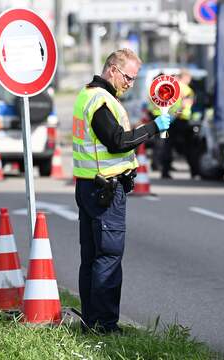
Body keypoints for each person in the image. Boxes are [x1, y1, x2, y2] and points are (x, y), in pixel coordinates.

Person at [73, 49, 174, 334]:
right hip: (104, 191)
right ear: (112, 70)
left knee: (92, 258)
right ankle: (104, 325)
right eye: (128, 77)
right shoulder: (101, 102)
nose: (130, 83)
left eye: (134, 78)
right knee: (107, 257)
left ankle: (90, 321)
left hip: (89, 186)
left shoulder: (88, 95)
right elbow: (117, 142)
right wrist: (153, 127)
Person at [159, 70, 198, 179]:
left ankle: (165, 172)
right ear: (186, 78)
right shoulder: (187, 90)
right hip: (181, 120)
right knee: (189, 148)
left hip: (170, 121)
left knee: (168, 146)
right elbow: (185, 106)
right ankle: (194, 171)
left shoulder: (171, 88)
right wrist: (178, 114)